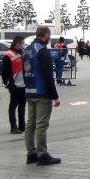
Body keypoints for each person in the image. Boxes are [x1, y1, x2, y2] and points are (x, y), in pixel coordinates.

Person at [21, 26, 61, 165]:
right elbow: (48, 75)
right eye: (49, 35)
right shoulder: (42, 50)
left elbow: (24, 71)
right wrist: (55, 96)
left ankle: (31, 153)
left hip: (29, 91)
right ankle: (42, 154)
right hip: (42, 92)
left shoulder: (26, 50)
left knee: (30, 124)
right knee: (41, 125)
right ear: (46, 35)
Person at [1, 35, 26, 134]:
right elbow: (5, 72)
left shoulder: (21, 53)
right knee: (13, 106)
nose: (23, 45)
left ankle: (22, 125)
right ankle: (13, 127)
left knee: (22, 106)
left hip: (23, 84)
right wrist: (8, 83)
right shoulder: (8, 55)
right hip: (14, 85)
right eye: (22, 43)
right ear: (18, 44)